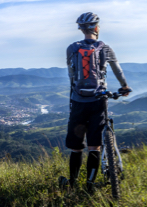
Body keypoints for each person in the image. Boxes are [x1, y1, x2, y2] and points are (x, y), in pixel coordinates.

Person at [59, 12, 131, 192]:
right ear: (97, 28)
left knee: (76, 148)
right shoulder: (105, 48)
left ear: (81, 29)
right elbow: (118, 71)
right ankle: (90, 185)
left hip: (78, 100)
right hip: (98, 100)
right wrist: (124, 87)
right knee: (94, 146)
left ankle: (73, 185)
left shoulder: (71, 48)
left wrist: (75, 93)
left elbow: (71, 75)